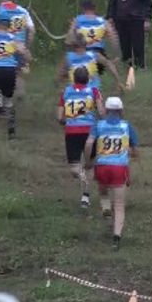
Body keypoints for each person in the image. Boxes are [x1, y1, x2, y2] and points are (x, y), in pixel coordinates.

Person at [84, 96, 138, 250]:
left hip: (102, 166)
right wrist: (132, 154)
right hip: (119, 167)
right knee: (120, 204)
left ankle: (106, 208)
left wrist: (88, 161)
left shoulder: (98, 125)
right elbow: (134, 150)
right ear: (121, 110)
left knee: (103, 190)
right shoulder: (126, 126)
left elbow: (89, 143)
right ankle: (116, 237)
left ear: (106, 110)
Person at [58, 66, 105, 209]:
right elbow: (102, 112)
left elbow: (59, 117)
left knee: (74, 168)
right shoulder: (94, 91)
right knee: (89, 165)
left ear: (74, 78)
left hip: (71, 132)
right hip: (90, 131)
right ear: (88, 79)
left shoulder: (65, 92)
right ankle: (86, 188)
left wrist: (67, 120)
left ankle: (85, 194)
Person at [0, 0, 35, 100]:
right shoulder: (23, 11)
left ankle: (3, 102)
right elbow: (32, 30)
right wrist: (27, 47)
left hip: (3, 47)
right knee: (17, 73)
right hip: (20, 46)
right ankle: (20, 97)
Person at [68, 0, 120, 76]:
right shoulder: (102, 21)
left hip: (83, 52)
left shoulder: (78, 20)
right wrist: (116, 54)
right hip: (99, 52)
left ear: (83, 8)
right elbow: (113, 37)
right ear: (94, 8)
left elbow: (71, 35)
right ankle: (119, 83)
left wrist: (73, 47)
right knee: (107, 64)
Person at [56, 34, 124, 93]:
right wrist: (118, 81)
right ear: (86, 44)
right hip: (93, 89)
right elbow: (109, 64)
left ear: (73, 45)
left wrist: (60, 85)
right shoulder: (94, 55)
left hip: (76, 90)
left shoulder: (69, 57)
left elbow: (60, 74)